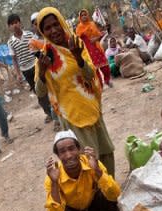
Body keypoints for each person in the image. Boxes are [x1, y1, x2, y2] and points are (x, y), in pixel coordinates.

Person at [35, 7, 116, 175]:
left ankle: (111, 192)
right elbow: (40, 92)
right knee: (89, 159)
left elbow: (90, 75)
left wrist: (78, 57)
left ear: (62, 23)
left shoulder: (76, 43)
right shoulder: (45, 56)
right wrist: (42, 72)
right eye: (47, 28)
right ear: (42, 32)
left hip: (91, 106)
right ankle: (98, 196)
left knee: (106, 151)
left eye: (56, 24)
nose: (54, 30)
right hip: (71, 115)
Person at [44, 130, 120, 211]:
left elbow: (115, 193)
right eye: (62, 152)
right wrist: (54, 183)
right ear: (58, 155)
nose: (68, 155)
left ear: (79, 149)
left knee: (106, 190)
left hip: (93, 207)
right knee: (51, 210)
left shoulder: (91, 163)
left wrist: (97, 171)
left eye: (71, 149)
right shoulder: (52, 176)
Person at [6, 13, 59, 130]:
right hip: (25, 70)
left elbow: (40, 49)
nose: (15, 25)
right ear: (9, 27)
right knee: (38, 92)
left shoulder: (30, 35)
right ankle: (48, 113)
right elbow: (14, 59)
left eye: (16, 22)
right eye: (12, 24)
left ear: (20, 23)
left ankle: (55, 113)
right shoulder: (11, 42)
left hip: (37, 65)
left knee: (48, 87)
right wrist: (18, 74)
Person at [75, 9, 112, 88]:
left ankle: (107, 80)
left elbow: (99, 34)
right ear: (80, 17)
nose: (84, 16)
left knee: (105, 67)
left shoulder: (92, 24)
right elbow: (77, 39)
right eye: (82, 15)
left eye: (85, 14)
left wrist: (96, 38)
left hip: (97, 48)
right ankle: (100, 85)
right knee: (94, 70)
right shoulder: (79, 27)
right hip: (87, 51)